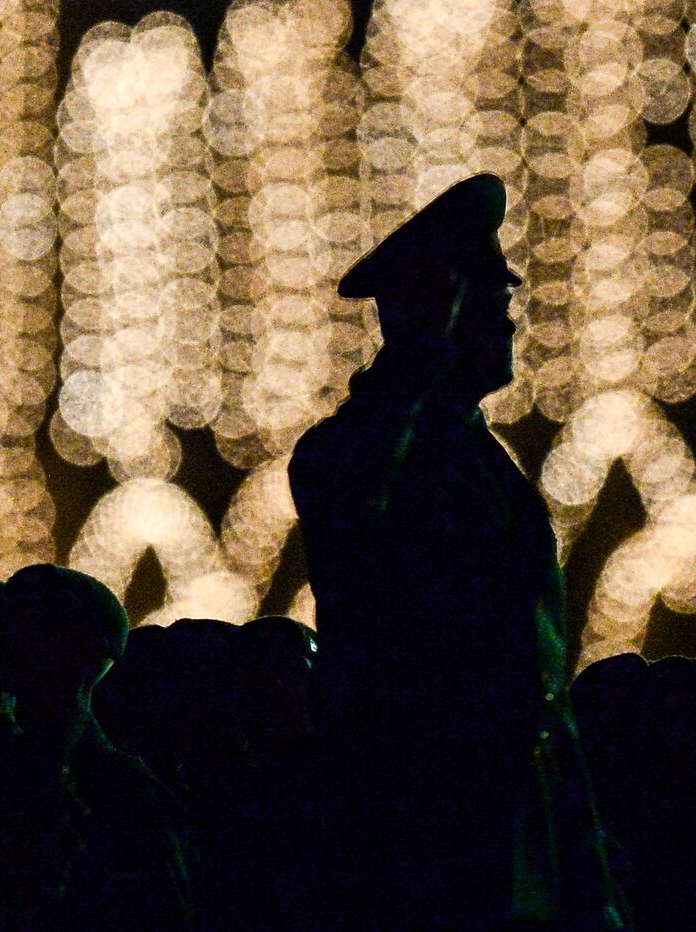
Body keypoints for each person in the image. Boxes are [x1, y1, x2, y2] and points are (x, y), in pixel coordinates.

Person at [289, 173, 621, 927]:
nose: (510, 327)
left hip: (509, 817)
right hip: (418, 824)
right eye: (492, 305)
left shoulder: (478, 458)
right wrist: (422, 357)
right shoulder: (351, 451)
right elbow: (365, 509)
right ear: (433, 313)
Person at [3, 564, 194, 930]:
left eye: (39, 628)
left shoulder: (121, 788)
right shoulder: (119, 781)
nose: (13, 641)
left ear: (84, 650)